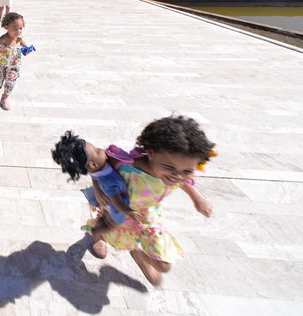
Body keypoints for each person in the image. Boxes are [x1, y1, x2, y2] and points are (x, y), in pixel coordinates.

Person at [85, 115, 215, 287]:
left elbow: (183, 182)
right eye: (170, 168)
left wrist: (198, 199)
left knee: (164, 266)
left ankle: (139, 255)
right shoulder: (127, 165)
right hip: (118, 207)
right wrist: (97, 188)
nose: (177, 176)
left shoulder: (179, 172)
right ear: (151, 154)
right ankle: (98, 238)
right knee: (102, 227)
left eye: (186, 171)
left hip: (148, 214)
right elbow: (96, 166)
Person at [51, 132, 142, 241]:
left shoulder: (97, 171)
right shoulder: (110, 181)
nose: (102, 150)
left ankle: (101, 219)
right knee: (110, 225)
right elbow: (118, 202)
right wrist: (129, 211)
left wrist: (98, 189)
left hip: (107, 203)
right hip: (115, 208)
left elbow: (94, 177)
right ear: (93, 164)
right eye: (98, 151)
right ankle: (95, 231)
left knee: (104, 215)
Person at [0, 12, 27, 110]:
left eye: (20, 28)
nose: (18, 31)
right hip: (0, 64)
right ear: (7, 27)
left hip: (14, 65)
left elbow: (24, 46)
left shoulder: (19, 38)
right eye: (15, 28)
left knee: (11, 81)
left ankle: (4, 98)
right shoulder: (3, 39)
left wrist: (27, 50)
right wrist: (1, 50)